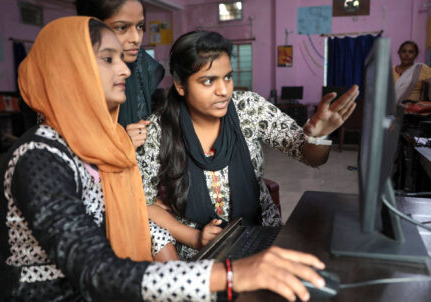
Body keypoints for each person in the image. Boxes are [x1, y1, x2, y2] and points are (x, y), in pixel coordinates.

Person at [0, 16, 328, 302]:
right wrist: (228, 273)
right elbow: (95, 269)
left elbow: (136, 214)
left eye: (122, 57)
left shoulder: (102, 145)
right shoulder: (40, 156)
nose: (125, 68)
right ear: (68, 69)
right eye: (109, 58)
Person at [137, 30, 359, 259]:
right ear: (181, 86)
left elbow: (311, 157)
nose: (223, 91)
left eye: (227, 77)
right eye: (208, 81)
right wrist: (195, 237)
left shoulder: (248, 108)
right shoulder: (158, 130)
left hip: (260, 231)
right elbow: (144, 202)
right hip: (197, 247)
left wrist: (317, 136)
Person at [76, 0, 164, 148]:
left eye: (140, 26)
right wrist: (122, 142)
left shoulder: (142, 67)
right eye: (121, 27)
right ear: (92, 27)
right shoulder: (70, 76)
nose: (136, 38)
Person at [393, 40, 431, 113]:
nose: (407, 54)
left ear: (416, 55)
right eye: (404, 51)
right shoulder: (390, 70)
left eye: (411, 52)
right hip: (390, 111)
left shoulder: (422, 69)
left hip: (413, 114)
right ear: (399, 53)